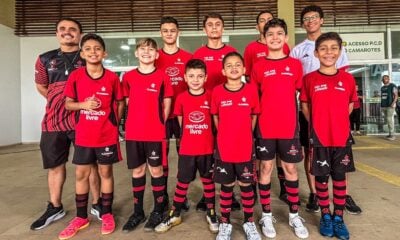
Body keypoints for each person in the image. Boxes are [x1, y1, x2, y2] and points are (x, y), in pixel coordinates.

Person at [290, 5, 362, 215]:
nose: (310, 20)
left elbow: (347, 87)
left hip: (335, 114)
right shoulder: (298, 50)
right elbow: (297, 84)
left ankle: (342, 195)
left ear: (321, 20)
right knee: (310, 153)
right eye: (306, 18)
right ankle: (315, 193)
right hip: (310, 110)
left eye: (314, 17)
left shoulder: (334, 45)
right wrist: (314, 118)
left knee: (341, 160)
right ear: (303, 23)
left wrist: (338, 116)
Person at [31, 18, 101, 231]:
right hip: (53, 123)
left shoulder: (88, 56)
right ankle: (55, 206)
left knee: (90, 166)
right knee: (55, 166)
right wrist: (59, 102)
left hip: (83, 122)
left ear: (79, 34)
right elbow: (41, 86)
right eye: (62, 29)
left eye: (73, 29)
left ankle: (98, 204)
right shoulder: (45, 59)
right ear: (57, 34)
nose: (67, 32)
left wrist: (78, 105)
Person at [58, 33, 124, 239]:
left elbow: (120, 102)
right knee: (81, 175)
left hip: (106, 136)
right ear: (82, 53)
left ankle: (106, 213)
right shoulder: (76, 77)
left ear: (104, 53)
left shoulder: (112, 77)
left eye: (97, 48)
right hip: (84, 136)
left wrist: (113, 123)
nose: (93, 52)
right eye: (88, 48)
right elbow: (68, 104)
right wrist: (84, 105)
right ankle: (80, 217)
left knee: (105, 173)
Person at [251, 18, 309, 239]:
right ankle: (266, 214)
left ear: (285, 38)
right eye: (270, 34)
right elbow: (255, 100)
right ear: (264, 39)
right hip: (265, 127)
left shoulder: (295, 65)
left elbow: (297, 92)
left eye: (279, 34)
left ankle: (294, 214)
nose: (275, 37)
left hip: (288, 127)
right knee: (265, 169)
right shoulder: (258, 67)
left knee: (290, 170)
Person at [300, 32, 357, 240]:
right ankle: (325, 215)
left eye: (333, 48)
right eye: (323, 48)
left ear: (340, 52)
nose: (328, 52)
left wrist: (337, 121)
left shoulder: (348, 79)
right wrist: (319, 123)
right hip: (319, 138)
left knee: (340, 178)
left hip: (341, 138)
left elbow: (350, 105)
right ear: (316, 53)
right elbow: (305, 106)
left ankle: (338, 217)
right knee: (322, 178)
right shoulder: (309, 79)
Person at [154, 59, 218, 234]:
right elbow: (182, 124)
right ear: (185, 78)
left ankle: (211, 212)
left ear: (205, 78)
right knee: (182, 181)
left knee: (208, 180)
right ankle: (175, 213)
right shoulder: (181, 98)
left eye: (199, 76)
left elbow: (214, 122)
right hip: (188, 149)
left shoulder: (211, 95)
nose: (195, 79)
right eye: (191, 76)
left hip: (207, 148)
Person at [121, 38, 173, 232]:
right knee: (137, 171)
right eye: (143, 49)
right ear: (136, 53)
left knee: (156, 170)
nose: (147, 52)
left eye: (151, 50)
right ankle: (138, 212)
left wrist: (158, 123)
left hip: (154, 134)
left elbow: (167, 104)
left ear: (157, 55)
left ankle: (159, 210)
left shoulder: (162, 77)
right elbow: (127, 103)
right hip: (134, 133)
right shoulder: (128, 77)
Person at [193, 12, 240, 212]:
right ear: (204, 30)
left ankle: (229, 194)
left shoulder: (231, 52)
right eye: (210, 25)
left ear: (223, 28)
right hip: (203, 112)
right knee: (207, 155)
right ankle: (208, 195)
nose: (214, 28)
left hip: (227, 113)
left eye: (218, 24)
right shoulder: (198, 54)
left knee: (227, 153)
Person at [243, 10, 291, 204]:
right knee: (260, 157)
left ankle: (284, 188)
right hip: (262, 112)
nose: (266, 23)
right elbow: (249, 79)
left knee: (282, 156)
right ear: (259, 28)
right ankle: (254, 186)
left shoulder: (286, 50)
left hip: (283, 115)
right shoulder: (251, 49)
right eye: (262, 21)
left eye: (269, 21)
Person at [212, 52, 261, 240]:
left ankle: (249, 222)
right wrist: (225, 133)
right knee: (226, 186)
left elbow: (254, 114)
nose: (234, 68)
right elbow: (216, 116)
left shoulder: (250, 90)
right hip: (224, 148)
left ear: (244, 69)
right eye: (229, 65)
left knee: (246, 186)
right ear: (223, 71)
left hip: (245, 147)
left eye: (237, 64)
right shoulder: (217, 91)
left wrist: (246, 133)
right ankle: (225, 223)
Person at [156, 16, 192, 211]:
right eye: (165, 30)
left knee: (183, 156)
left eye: (172, 30)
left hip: (183, 115)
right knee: (161, 157)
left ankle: (182, 195)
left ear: (178, 32)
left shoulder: (188, 57)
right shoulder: (154, 56)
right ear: (161, 33)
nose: (169, 33)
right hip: (160, 115)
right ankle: (162, 196)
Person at [380, 75, 398, 140]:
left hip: (390, 105)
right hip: (384, 105)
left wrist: (393, 103)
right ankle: (390, 134)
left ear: (388, 79)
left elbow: (396, 95)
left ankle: (392, 135)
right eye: (383, 79)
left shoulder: (392, 86)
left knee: (389, 119)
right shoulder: (382, 87)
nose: (384, 80)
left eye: (385, 79)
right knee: (387, 120)